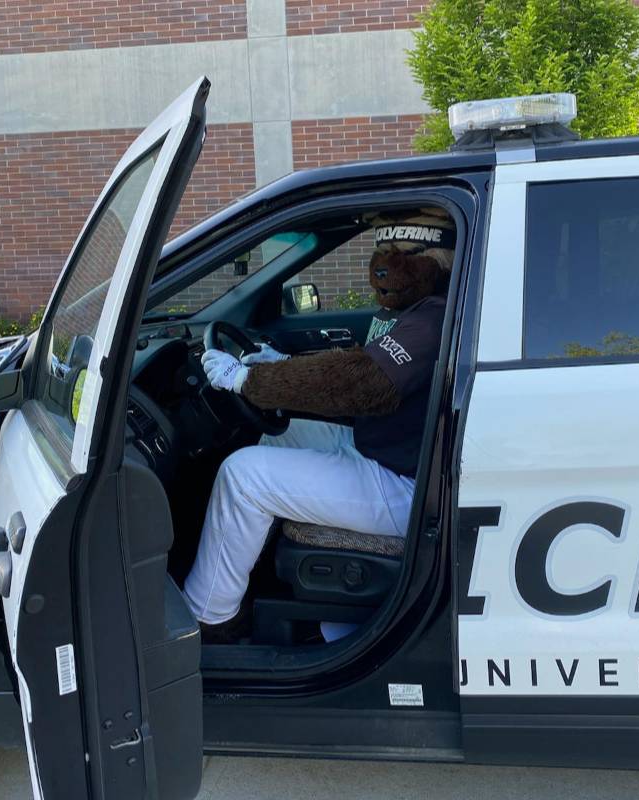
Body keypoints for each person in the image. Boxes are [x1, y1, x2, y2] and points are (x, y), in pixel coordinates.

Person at [183, 210, 456, 642]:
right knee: (282, 432)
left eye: (404, 252)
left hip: (410, 486)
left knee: (242, 475)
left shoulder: (431, 318)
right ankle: (248, 565)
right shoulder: (418, 311)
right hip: (389, 448)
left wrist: (249, 380)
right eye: (384, 250)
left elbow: (362, 382)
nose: (386, 264)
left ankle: (210, 620)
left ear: (437, 259)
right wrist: (282, 365)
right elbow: (356, 369)